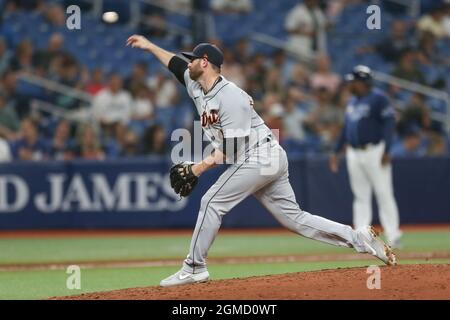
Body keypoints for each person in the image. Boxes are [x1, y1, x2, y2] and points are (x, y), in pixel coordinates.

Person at [127, 35, 397, 287]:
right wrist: (150, 46)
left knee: (211, 201)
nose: (189, 63)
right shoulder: (195, 84)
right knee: (295, 219)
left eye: (193, 59)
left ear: (205, 62)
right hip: (261, 156)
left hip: (259, 155)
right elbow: (175, 65)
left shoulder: (230, 96)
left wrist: (196, 168)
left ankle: (195, 266)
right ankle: (358, 238)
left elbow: (230, 150)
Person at [329, 65, 402, 249]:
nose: (350, 84)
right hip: (354, 152)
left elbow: (389, 124)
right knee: (360, 196)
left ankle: (393, 236)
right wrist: (336, 152)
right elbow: (346, 130)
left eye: (353, 81)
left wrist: (387, 150)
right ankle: (362, 237)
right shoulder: (352, 102)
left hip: (374, 151)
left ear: (363, 82)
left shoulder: (379, 99)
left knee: (383, 193)